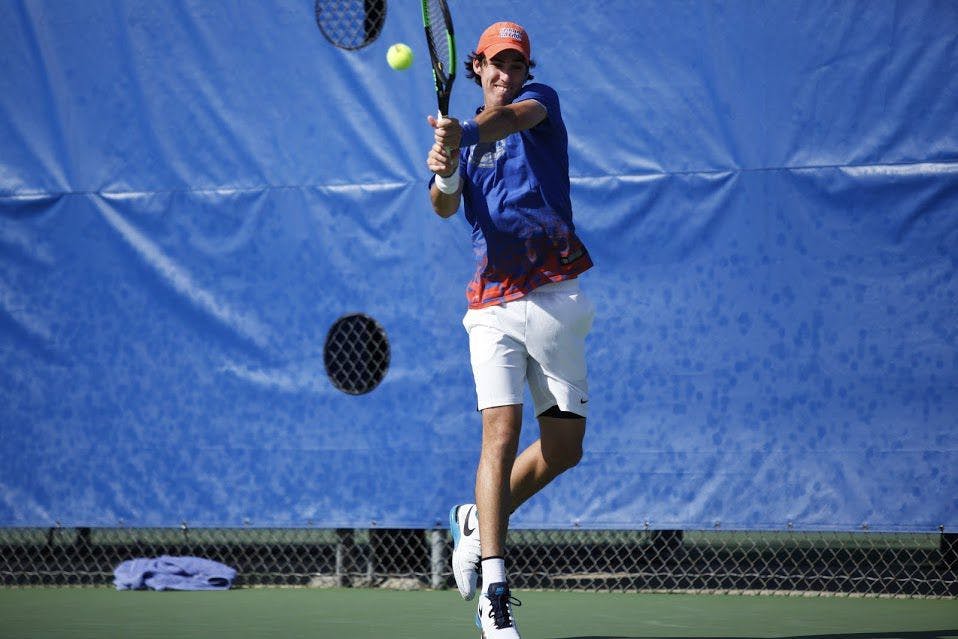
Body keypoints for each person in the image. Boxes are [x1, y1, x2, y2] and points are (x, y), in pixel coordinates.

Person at [425, 21, 594, 639]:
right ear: (475, 68)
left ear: (526, 70)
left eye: (514, 65)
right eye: (494, 64)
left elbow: (509, 121)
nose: (504, 74)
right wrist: (445, 169)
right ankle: (495, 591)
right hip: (491, 303)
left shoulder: (538, 104)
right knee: (500, 430)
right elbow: (444, 205)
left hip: (555, 296)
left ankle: (476, 522)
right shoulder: (466, 136)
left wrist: (462, 132)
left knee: (564, 451)